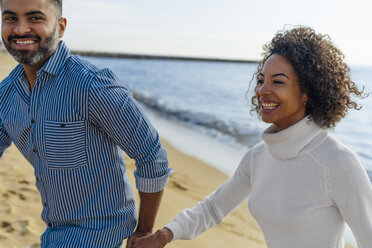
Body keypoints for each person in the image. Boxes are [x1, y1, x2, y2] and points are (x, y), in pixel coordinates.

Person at [130, 26, 372, 248]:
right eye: (261, 80)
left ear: (307, 91)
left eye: (277, 82)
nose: (262, 90)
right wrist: (163, 236)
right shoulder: (258, 158)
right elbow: (213, 208)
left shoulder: (337, 162)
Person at [0, 0, 172, 247]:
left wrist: (144, 230)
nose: (20, 29)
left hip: (103, 237)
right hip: (53, 235)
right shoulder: (7, 93)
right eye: (10, 18)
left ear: (60, 27)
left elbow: (152, 154)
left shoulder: (92, 85)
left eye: (35, 18)